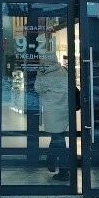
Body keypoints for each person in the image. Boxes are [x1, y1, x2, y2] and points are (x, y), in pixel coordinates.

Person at [34, 49, 71, 182]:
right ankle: (51, 162)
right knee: (58, 137)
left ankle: (63, 171)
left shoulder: (44, 74)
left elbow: (37, 88)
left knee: (58, 140)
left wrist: (39, 74)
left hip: (52, 110)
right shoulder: (64, 71)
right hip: (63, 109)